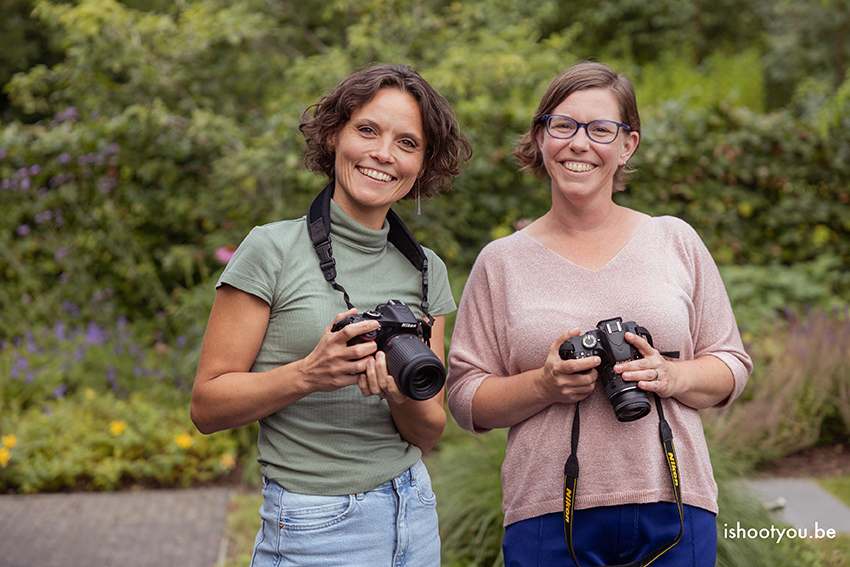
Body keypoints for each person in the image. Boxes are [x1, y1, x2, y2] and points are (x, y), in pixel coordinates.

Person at [446, 61, 752, 567]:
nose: (578, 143)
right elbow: (463, 398)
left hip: (673, 502)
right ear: (541, 137)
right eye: (562, 125)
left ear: (627, 144)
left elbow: (732, 366)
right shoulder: (501, 261)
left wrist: (669, 375)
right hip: (546, 510)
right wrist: (544, 386)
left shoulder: (674, 240)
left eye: (601, 129)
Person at [191, 63, 471, 567]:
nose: (383, 154)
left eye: (407, 143)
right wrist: (308, 374)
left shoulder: (426, 269)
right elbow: (207, 408)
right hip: (315, 524)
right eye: (367, 130)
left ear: (424, 166)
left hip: (415, 512)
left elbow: (429, 431)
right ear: (333, 135)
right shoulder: (270, 249)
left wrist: (396, 390)